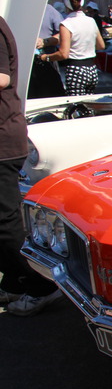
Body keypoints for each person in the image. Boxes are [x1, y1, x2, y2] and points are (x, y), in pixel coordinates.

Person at [0, 17, 63, 316]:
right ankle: (15, 280)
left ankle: (42, 285)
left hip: (2, 139)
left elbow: (2, 77)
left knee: (6, 222)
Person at [40, 0, 105, 96]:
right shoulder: (91, 21)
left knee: (76, 105)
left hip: (75, 69)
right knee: (89, 103)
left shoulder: (67, 24)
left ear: (66, 6)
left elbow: (63, 54)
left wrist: (45, 57)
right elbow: (101, 46)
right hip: (92, 69)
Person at [29, 3, 66, 99]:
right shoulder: (18, 10)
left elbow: (64, 35)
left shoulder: (49, 11)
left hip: (46, 62)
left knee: (51, 98)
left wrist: (46, 42)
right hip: (25, 65)